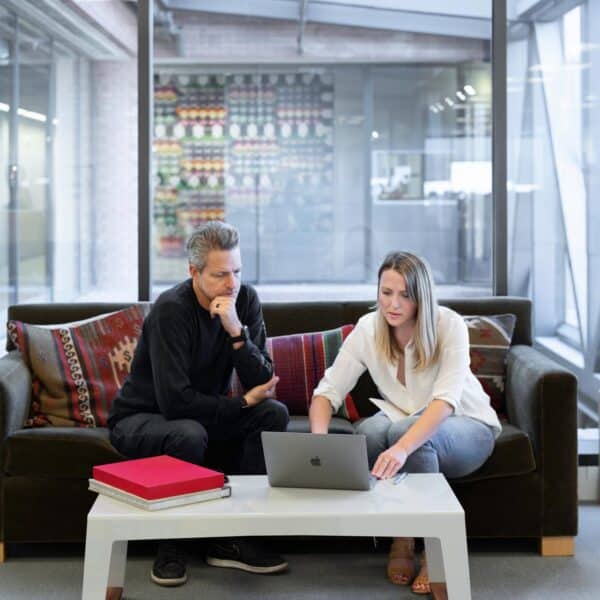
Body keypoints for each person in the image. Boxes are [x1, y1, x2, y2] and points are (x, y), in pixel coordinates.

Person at [108, 221, 289, 587]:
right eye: (221, 274)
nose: (232, 283)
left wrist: (237, 333)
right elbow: (174, 403)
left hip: (200, 416)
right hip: (142, 418)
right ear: (194, 271)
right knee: (187, 434)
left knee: (273, 414)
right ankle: (171, 544)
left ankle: (234, 538)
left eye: (237, 271)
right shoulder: (171, 311)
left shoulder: (245, 300)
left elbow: (263, 381)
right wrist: (239, 406)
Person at [309, 251, 501, 595]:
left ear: (421, 296)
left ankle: (429, 549)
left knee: (402, 433)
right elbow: (327, 392)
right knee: (366, 432)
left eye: (405, 295)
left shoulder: (449, 324)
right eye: (386, 292)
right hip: (404, 415)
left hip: (468, 423)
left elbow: (445, 401)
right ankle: (401, 533)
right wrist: (319, 445)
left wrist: (402, 448)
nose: (393, 304)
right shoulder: (369, 329)